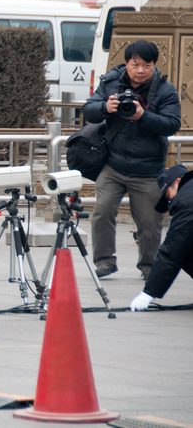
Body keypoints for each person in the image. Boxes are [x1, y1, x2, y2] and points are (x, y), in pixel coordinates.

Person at [83, 40, 181, 280]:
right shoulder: (110, 83)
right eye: (134, 64)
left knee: (150, 222)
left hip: (148, 169)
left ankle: (149, 266)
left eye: (146, 65)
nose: (140, 70)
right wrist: (106, 107)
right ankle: (105, 261)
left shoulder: (165, 90)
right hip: (113, 164)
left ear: (154, 65)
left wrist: (143, 116)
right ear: (126, 63)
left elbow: (172, 124)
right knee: (102, 211)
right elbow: (88, 110)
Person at [130, 165, 193, 311]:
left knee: (182, 250)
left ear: (177, 182)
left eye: (168, 194)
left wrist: (149, 293)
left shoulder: (187, 201)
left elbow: (172, 251)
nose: (170, 200)